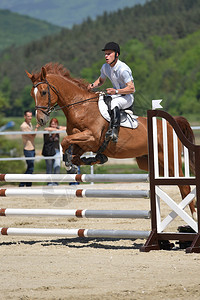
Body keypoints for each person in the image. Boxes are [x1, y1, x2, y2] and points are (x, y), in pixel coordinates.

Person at [88, 42, 135, 143]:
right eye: (105, 54)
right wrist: (92, 86)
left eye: (109, 54)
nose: (106, 56)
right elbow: (101, 81)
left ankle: (114, 131)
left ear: (116, 54)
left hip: (127, 97)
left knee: (114, 103)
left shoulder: (123, 69)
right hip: (116, 95)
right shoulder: (105, 67)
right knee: (100, 99)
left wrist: (116, 91)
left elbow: (132, 89)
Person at [42, 118, 66, 186]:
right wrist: (57, 130)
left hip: (57, 151)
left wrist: (58, 128)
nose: (53, 125)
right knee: (49, 167)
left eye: (55, 124)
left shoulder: (57, 129)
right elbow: (46, 129)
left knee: (57, 166)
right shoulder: (47, 130)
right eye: (52, 124)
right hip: (48, 151)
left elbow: (65, 128)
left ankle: (56, 182)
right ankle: (49, 182)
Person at [19, 110, 39, 187]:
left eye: (31, 116)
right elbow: (32, 135)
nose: (30, 118)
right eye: (28, 116)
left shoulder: (29, 124)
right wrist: (37, 128)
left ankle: (28, 184)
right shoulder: (24, 126)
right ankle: (22, 183)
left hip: (32, 148)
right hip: (28, 149)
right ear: (25, 117)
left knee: (30, 167)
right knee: (30, 168)